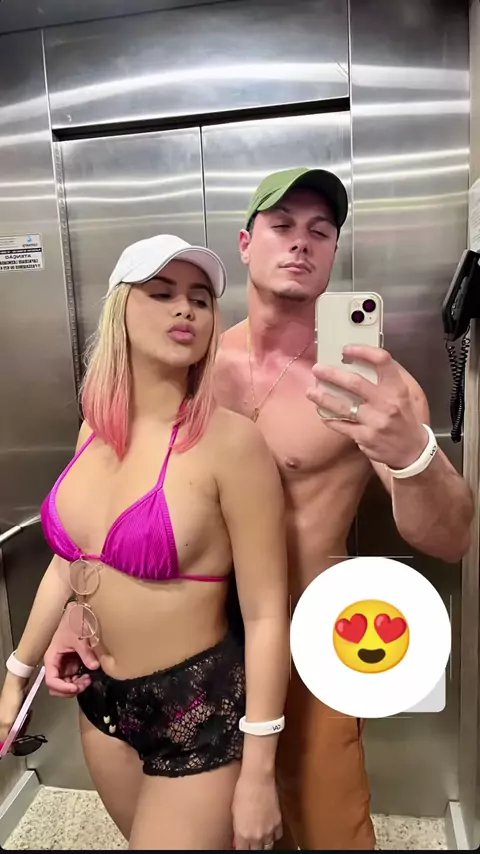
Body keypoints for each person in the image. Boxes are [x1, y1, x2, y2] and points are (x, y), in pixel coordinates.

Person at [43, 169, 474, 850]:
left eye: (320, 231)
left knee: (332, 832)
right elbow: (104, 496)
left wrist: (413, 453)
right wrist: (80, 603)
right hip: (187, 652)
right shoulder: (187, 361)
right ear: (246, 244)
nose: (301, 243)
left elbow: (451, 538)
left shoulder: (370, 385)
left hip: (303, 640)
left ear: (334, 253)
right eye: (282, 226)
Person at [0, 235, 291, 851]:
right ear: (120, 310)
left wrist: (260, 771)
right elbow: (69, 563)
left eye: (200, 299)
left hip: (195, 713)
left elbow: (268, 614)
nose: (184, 309)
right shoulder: (93, 429)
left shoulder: (232, 445)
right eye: (161, 294)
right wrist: (16, 674)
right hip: (102, 703)